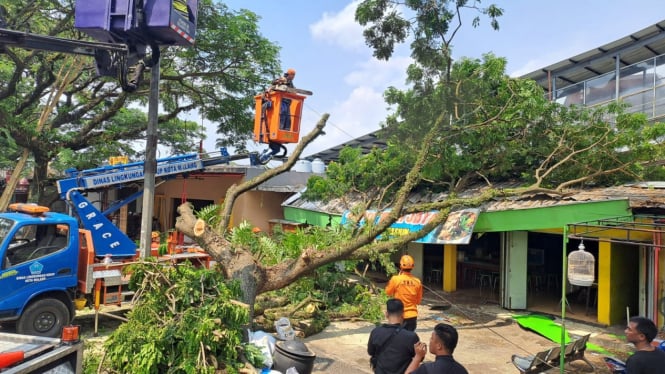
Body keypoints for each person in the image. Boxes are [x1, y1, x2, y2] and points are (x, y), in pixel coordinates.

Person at [367, 299, 420, 374]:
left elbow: (370, 352)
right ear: (403, 315)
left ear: (386, 314)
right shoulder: (411, 337)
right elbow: (419, 357)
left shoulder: (376, 332)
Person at [385, 254, 423, 331]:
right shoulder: (417, 281)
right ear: (412, 267)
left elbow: (388, 292)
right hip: (412, 316)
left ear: (400, 266)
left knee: (398, 339)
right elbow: (418, 301)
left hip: (399, 316)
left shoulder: (396, 279)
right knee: (409, 339)